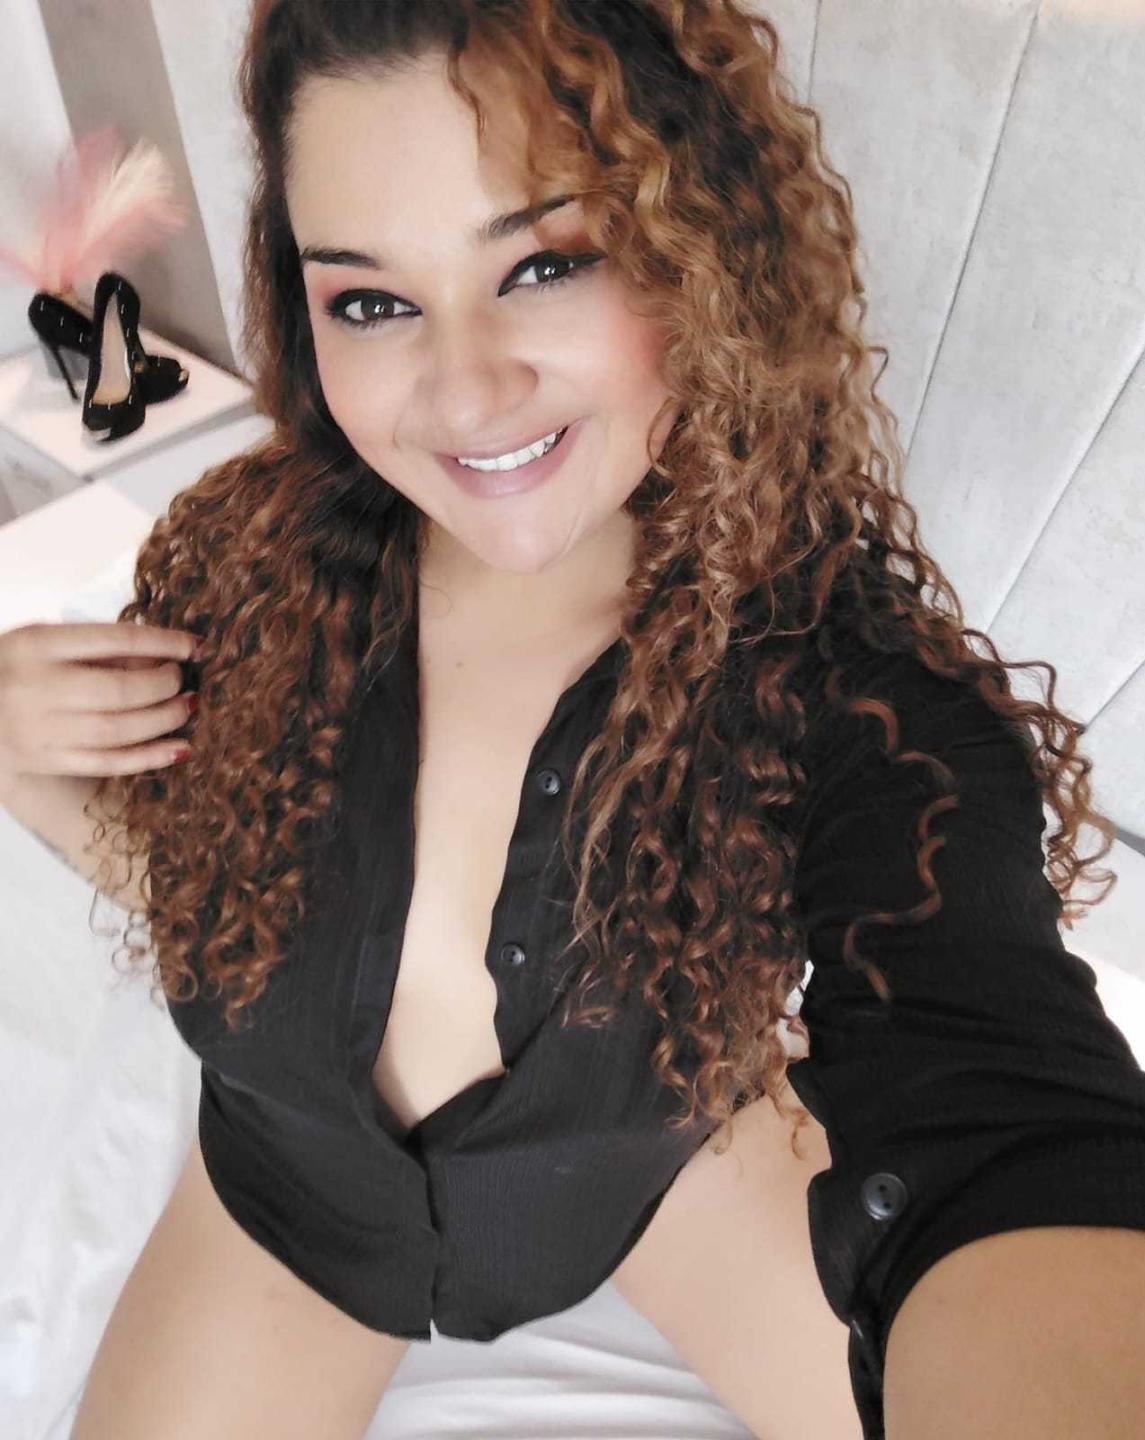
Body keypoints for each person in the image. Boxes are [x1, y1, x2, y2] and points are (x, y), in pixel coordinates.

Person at [2, 3, 1143, 1438]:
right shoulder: (247, 570)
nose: (464, 389)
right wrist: (23, 764)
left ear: (698, 245)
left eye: (545, 264)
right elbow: (218, 895)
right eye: (371, 301)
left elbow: (1007, 1119)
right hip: (292, 1208)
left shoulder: (839, 689)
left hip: (649, 1178)